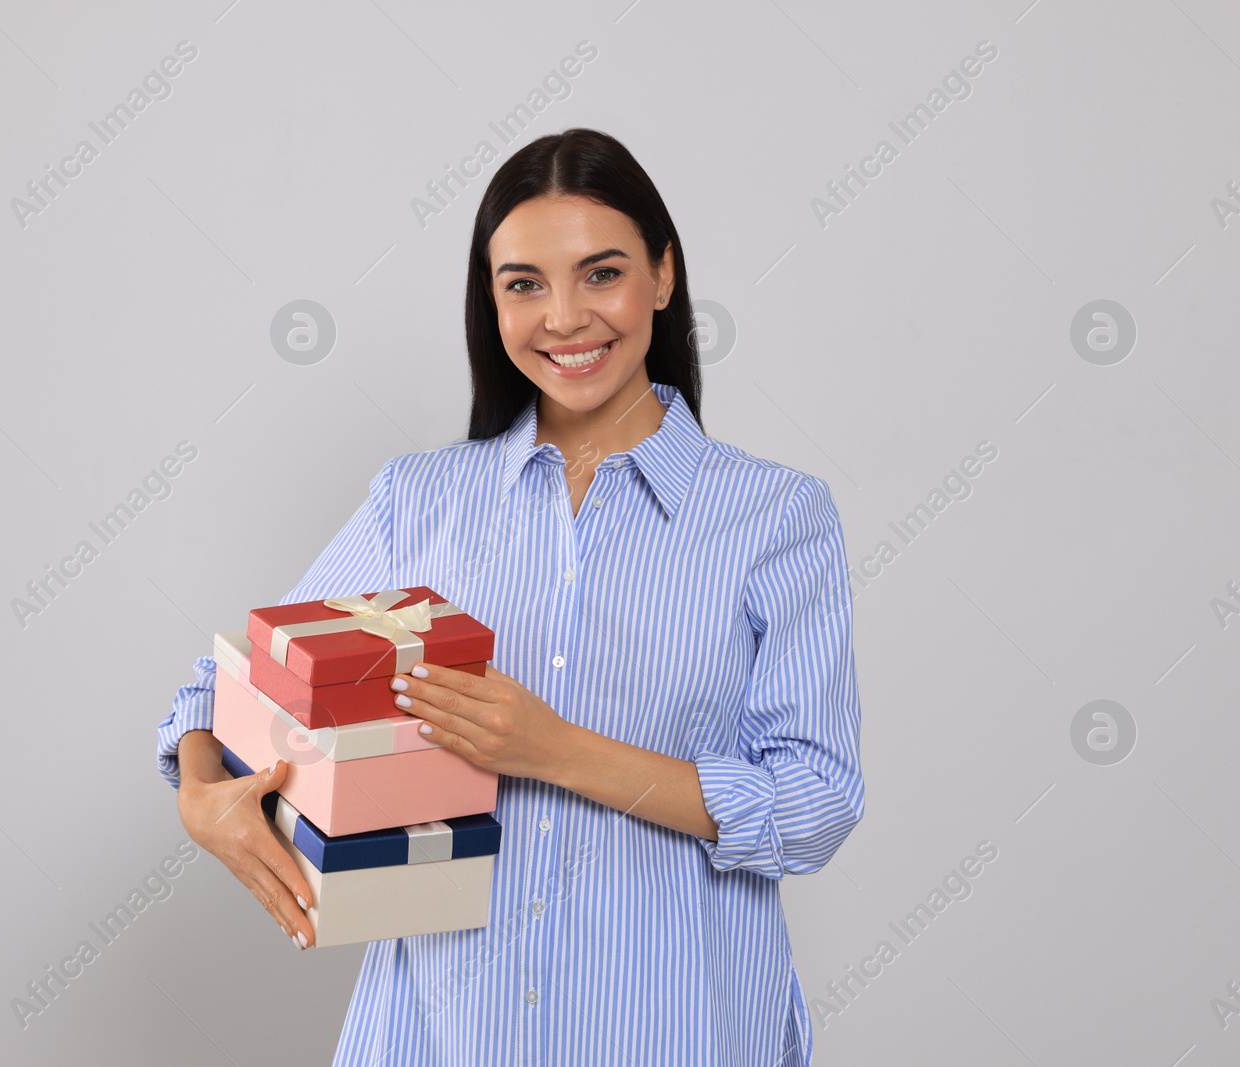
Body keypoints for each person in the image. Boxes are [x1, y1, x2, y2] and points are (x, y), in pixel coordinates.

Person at [156, 127, 864, 1067]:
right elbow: (227, 689)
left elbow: (814, 802)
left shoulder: (775, 517)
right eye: (524, 284)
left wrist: (556, 750)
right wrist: (202, 797)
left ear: (663, 273)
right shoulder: (422, 502)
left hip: (674, 1029)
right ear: (490, 303)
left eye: (601, 273)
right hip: (442, 1032)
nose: (564, 317)